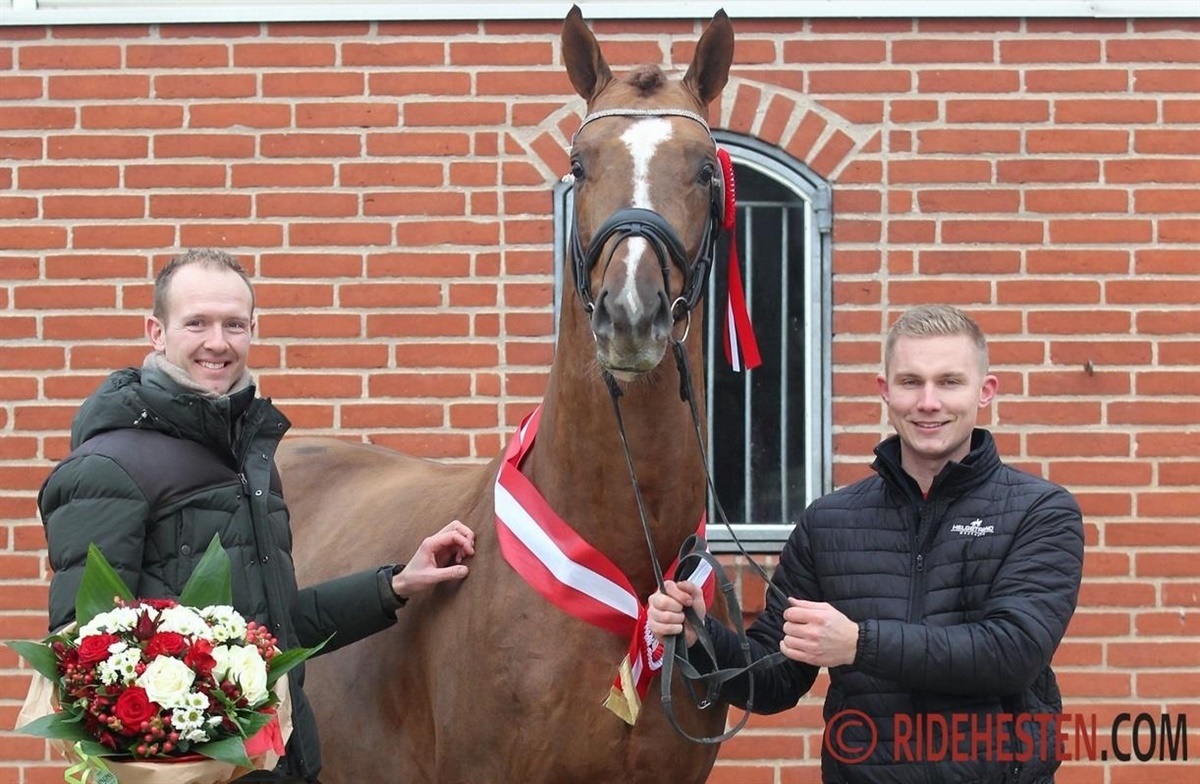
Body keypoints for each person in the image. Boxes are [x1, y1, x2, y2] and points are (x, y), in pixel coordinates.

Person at [38, 248, 476, 784]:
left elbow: (275, 631)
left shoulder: (248, 463)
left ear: (252, 330)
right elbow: (85, 662)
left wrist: (395, 585)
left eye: (234, 324)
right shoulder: (107, 469)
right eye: (196, 322)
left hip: (285, 764)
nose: (217, 342)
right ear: (157, 332)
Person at [649, 304, 1084, 783]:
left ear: (985, 391)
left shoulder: (1039, 511)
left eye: (949, 382)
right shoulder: (829, 523)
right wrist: (702, 636)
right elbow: (773, 681)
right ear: (885, 391)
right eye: (911, 382)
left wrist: (859, 643)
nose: (929, 402)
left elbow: (1013, 654)